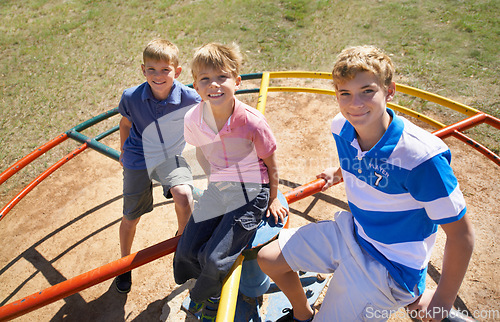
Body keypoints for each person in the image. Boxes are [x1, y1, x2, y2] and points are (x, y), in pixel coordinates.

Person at [257, 45, 474, 322]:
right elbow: (363, 159)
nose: (354, 104)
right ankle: (303, 314)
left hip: (391, 267)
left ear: (390, 90)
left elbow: (462, 236)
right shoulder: (342, 127)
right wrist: (339, 172)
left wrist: (443, 299)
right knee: (269, 259)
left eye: (367, 91)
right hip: (354, 233)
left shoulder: (421, 158)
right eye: (344, 93)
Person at [173, 42, 288, 321]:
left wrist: (272, 197)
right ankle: (209, 284)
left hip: (253, 191)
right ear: (196, 87)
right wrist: (214, 179)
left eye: (221, 77)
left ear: (236, 81)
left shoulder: (252, 122)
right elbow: (201, 150)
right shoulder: (193, 118)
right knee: (187, 248)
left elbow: (271, 162)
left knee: (215, 257)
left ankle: (202, 296)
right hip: (221, 186)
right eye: (205, 79)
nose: (214, 85)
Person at [114, 39, 201, 294]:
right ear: (143, 70)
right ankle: (123, 265)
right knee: (131, 216)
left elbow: (206, 125)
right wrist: (122, 152)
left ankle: (182, 246)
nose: (158, 76)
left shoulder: (190, 98)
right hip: (138, 155)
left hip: (170, 155)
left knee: (184, 195)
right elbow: (125, 124)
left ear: (178, 71)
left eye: (165, 70)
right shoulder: (132, 96)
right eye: (151, 69)